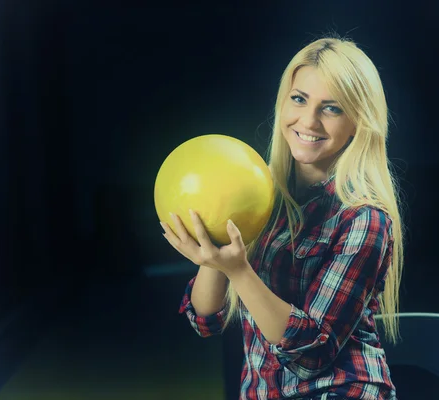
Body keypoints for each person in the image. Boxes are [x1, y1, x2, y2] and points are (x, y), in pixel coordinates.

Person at [161, 36, 404, 400]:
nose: (308, 120)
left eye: (332, 108)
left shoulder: (365, 219)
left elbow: (312, 353)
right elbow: (206, 320)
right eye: (299, 99)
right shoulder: (259, 196)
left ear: (358, 122)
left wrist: (240, 271)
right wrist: (214, 255)